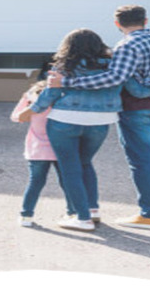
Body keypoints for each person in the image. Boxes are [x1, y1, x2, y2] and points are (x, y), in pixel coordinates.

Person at [47, 4, 150, 231]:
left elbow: (114, 78)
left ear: (117, 24)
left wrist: (68, 82)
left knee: (142, 160)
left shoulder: (126, 45)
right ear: (146, 20)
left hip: (136, 109)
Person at [18, 28, 126, 232]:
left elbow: (51, 94)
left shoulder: (65, 66)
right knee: (86, 163)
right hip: (102, 121)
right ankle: (92, 209)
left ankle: (82, 218)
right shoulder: (112, 65)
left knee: (70, 168)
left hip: (65, 120)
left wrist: (31, 110)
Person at [10, 82, 65, 228]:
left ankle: (26, 215)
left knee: (35, 183)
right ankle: (73, 212)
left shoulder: (33, 106)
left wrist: (26, 99)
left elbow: (16, 117)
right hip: (61, 148)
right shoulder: (61, 102)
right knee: (67, 182)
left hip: (37, 149)